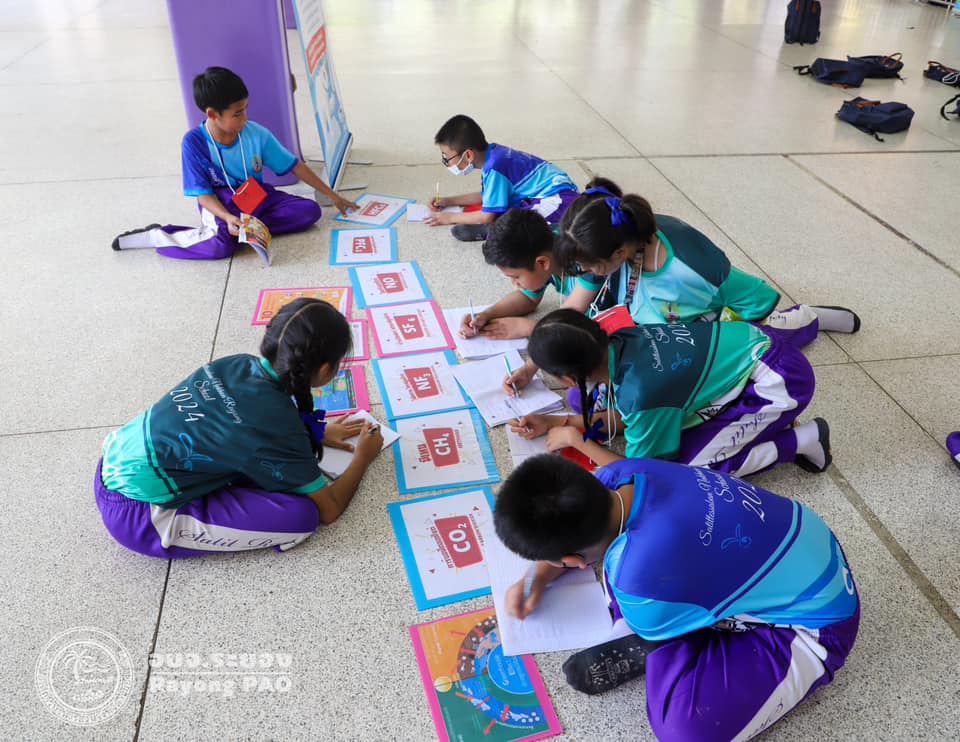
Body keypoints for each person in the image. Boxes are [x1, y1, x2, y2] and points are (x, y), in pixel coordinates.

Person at [494, 455, 860, 741]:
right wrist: (539, 575)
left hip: (815, 626)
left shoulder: (636, 573)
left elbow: (628, 574)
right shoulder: (621, 473)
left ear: (573, 561)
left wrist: (547, 573)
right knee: (645, 588)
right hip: (809, 541)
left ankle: (661, 639)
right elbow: (589, 534)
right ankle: (670, 631)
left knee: (684, 729)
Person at [503, 176, 859, 392]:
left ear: (620, 252)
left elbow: (744, 309)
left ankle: (806, 318)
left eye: (588, 267)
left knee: (770, 339)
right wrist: (535, 363)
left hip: (714, 326)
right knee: (593, 391)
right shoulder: (605, 244)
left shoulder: (692, 268)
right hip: (657, 330)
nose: (584, 272)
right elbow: (573, 311)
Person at [95, 298, 384, 557]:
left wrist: (313, 433)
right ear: (324, 369)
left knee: (257, 465)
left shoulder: (237, 363)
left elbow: (237, 419)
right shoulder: (278, 426)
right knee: (302, 516)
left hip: (113, 464)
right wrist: (363, 457)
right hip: (140, 515)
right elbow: (329, 510)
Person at [510, 309, 832, 478]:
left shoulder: (641, 393)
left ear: (569, 378)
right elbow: (630, 418)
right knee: (598, 407)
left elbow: (644, 471)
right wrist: (557, 421)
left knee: (691, 471)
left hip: (780, 383)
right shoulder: (621, 340)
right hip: (750, 343)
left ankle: (802, 440)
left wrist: (576, 439)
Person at [111, 67, 358, 260]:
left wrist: (332, 195)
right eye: (237, 113)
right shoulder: (194, 142)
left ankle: (244, 230)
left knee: (309, 212)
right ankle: (158, 236)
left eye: (246, 109)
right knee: (220, 248)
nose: (245, 118)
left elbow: (295, 165)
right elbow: (203, 196)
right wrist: (227, 217)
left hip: (256, 197)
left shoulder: (256, 134)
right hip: (221, 203)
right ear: (212, 114)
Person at [424, 114, 579, 242]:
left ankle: (494, 230)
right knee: (510, 213)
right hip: (546, 197)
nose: (448, 163)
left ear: (469, 155)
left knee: (528, 228)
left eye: (447, 158)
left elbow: (487, 215)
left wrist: (450, 217)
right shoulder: (493, 155)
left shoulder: (494, 166)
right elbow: (488, 196)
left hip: (559, 201)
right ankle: (498, 228)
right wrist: (448, 201)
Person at [458, 208, 604, 340]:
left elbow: (569, 320)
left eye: (516, 277)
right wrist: (485, 315)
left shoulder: (587, 262)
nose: (514, 284)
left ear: (542, 263)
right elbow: (528, 298)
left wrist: (527, 327)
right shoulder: (544, 244)